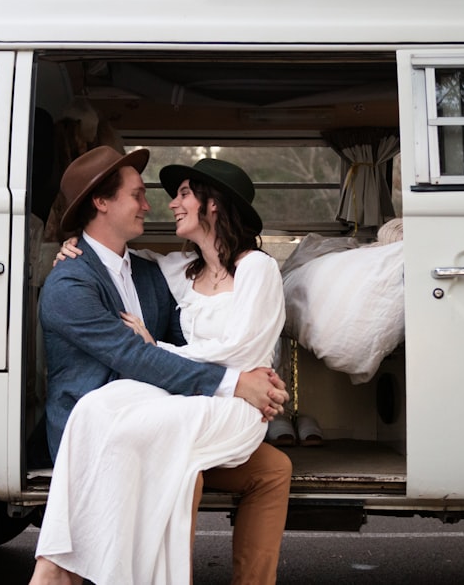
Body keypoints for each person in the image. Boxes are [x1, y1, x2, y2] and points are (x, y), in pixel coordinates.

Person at [30, 147, 291, 585]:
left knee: (273, 469)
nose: (152, 205)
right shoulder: (70, 283)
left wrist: (248, 377)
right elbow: (136, 357)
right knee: (184, 471)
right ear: (101, 202)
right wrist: (234, 383)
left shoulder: (152, 272)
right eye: (138, 195)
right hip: (104, 425)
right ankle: (79, 570)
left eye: (177, 194)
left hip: (167, 409)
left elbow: (179, 344)